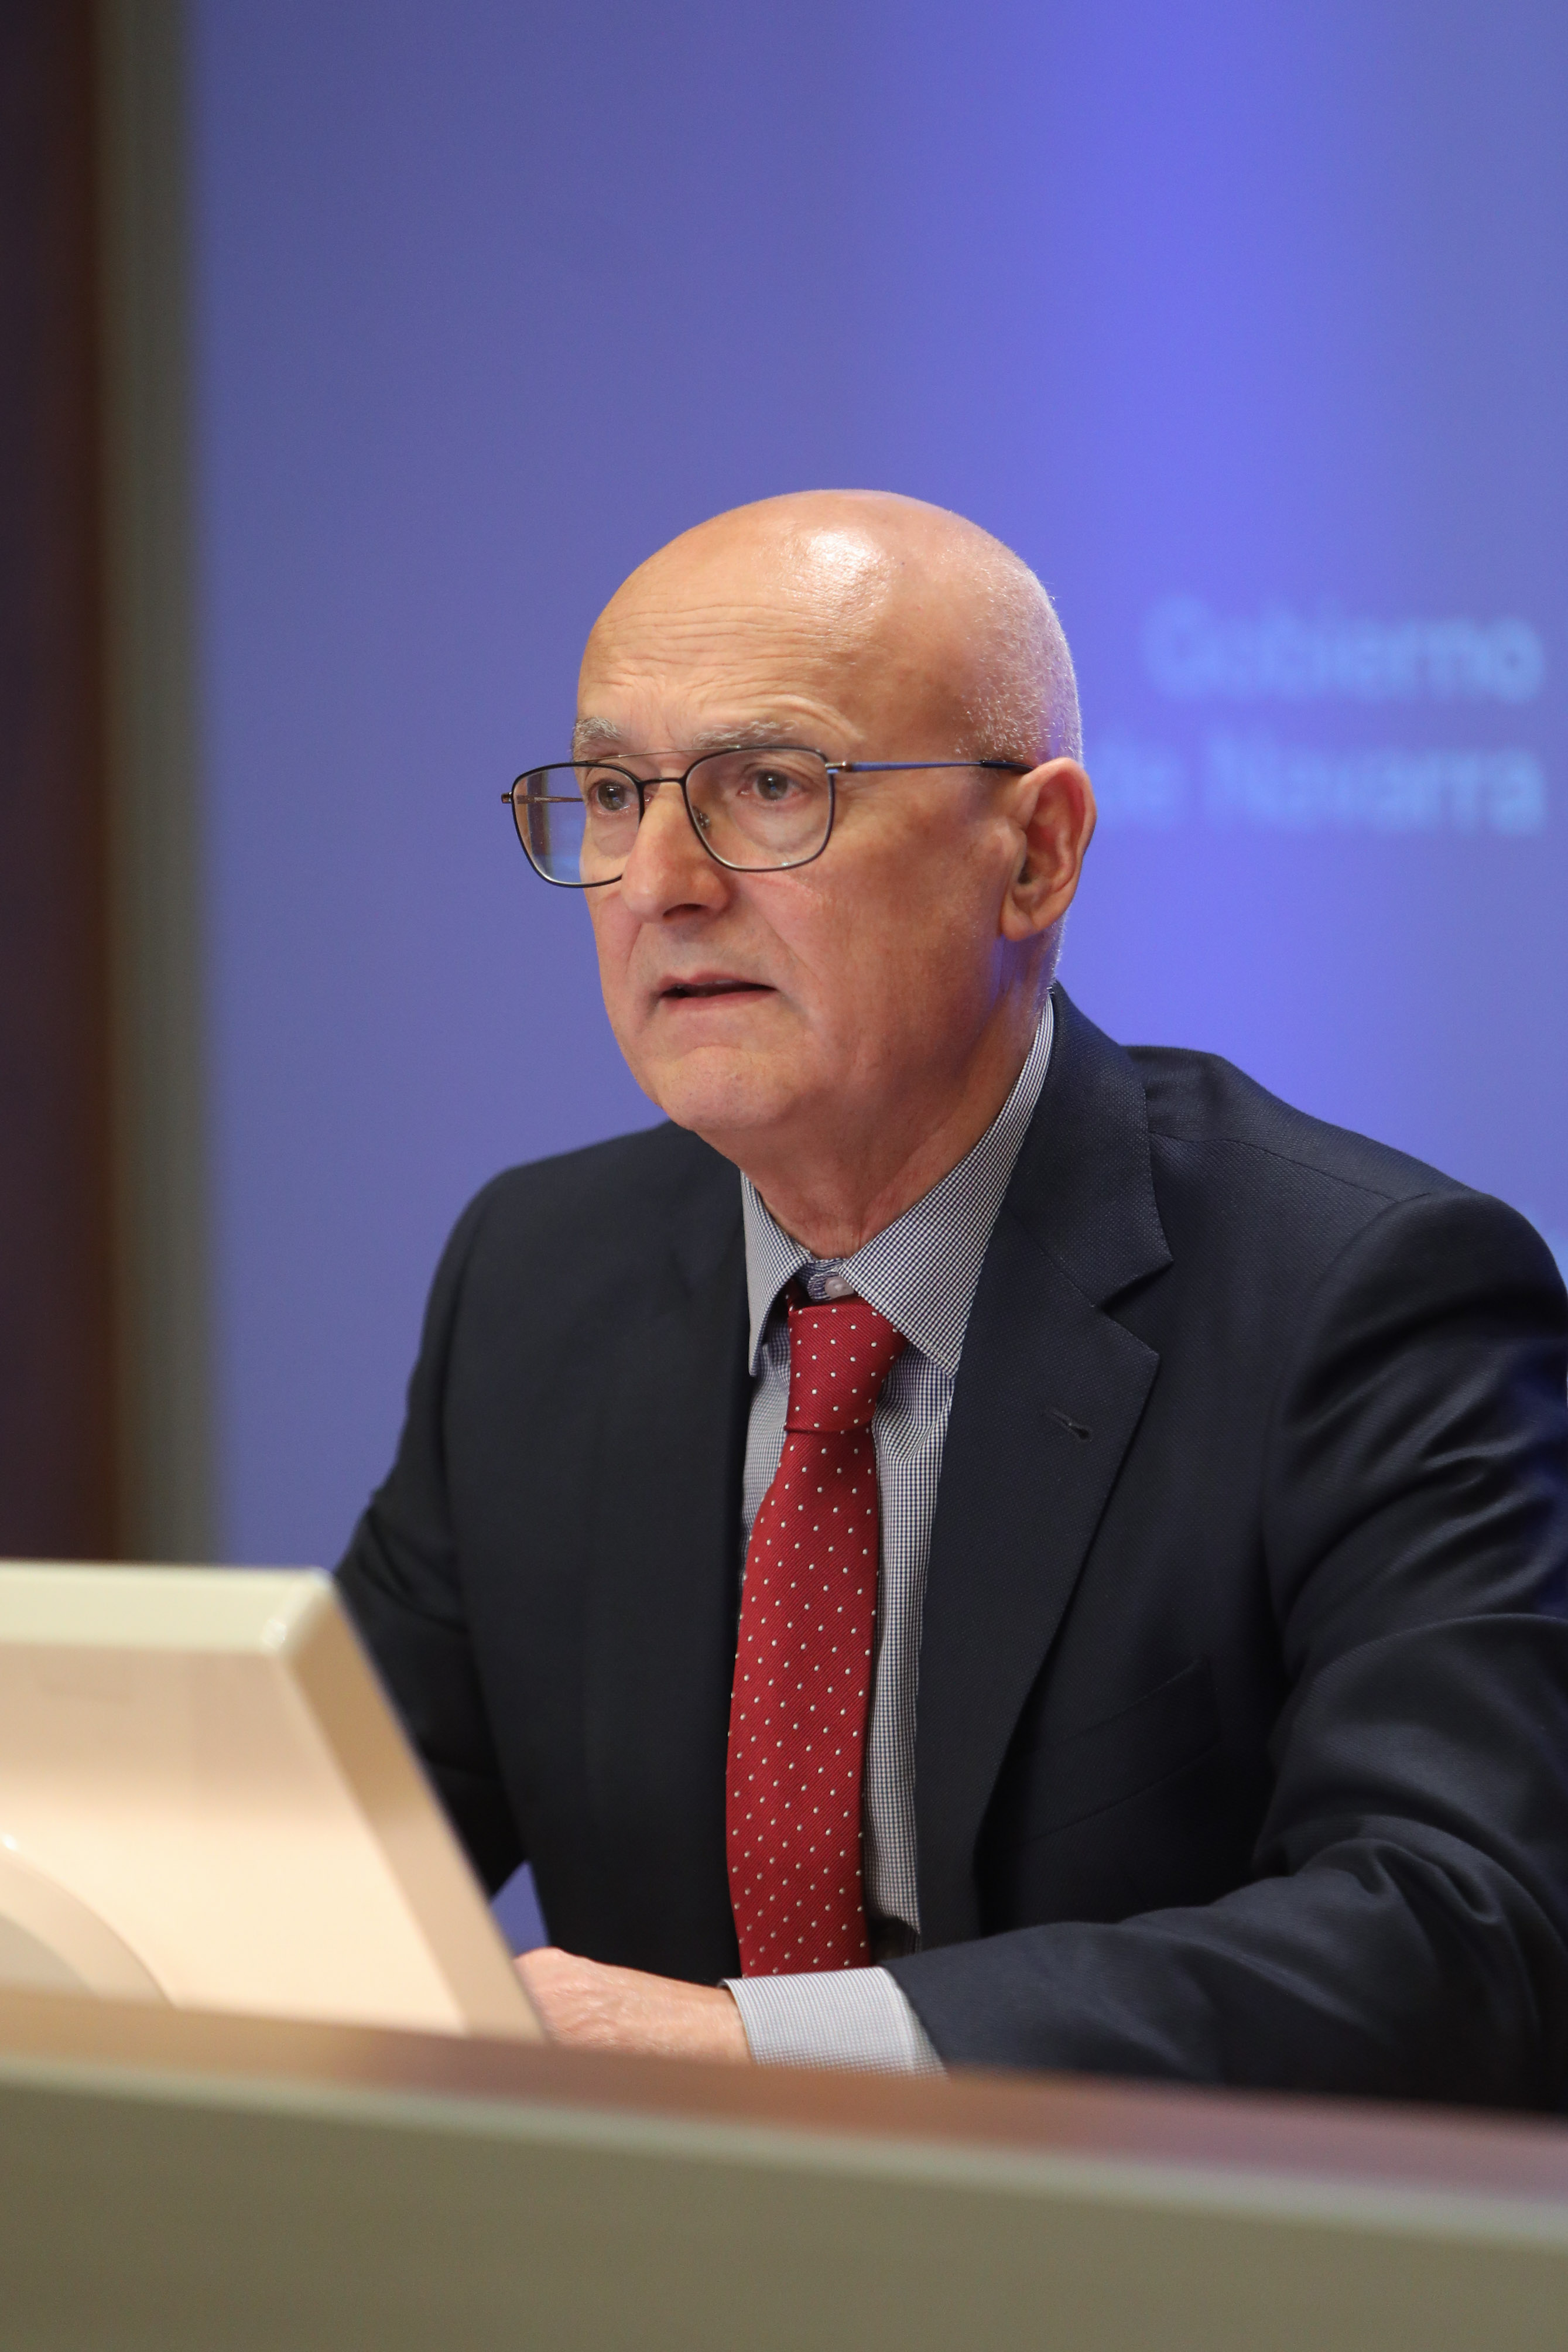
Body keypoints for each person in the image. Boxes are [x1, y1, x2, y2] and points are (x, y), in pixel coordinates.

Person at [338, 490, 1568, 2101]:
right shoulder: (537, 1277)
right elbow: (310, 1844)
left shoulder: (1363, 1298)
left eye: (771, 785)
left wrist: (771, 2052)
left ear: (1036, 854)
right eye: (618, 793)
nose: (658, 882)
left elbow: (1469, 1928)